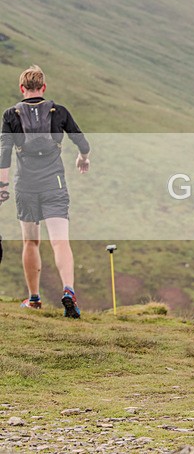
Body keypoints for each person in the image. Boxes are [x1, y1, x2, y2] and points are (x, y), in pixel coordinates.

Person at [0, 65, 90, 318]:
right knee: (60, 241)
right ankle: (69, 291)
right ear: (44, 87)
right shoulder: (58, 111)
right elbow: (82, 141)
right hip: (55, 184)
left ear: (22, 88)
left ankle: (34, 299)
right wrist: (83, 158)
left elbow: (4, 153)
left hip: (26, 186)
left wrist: (2, 187)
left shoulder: (11, 115)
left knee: (30, 242)